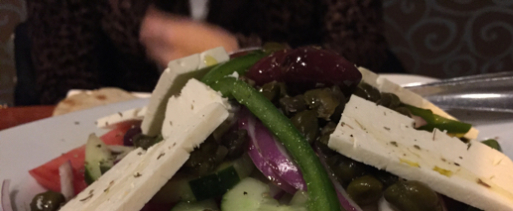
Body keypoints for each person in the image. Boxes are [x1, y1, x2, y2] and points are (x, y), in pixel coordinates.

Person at [25, 0, 401, 105]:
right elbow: (65, 93)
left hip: (286, 126)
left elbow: (360, 52)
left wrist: (239, 53)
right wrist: (142, 26)